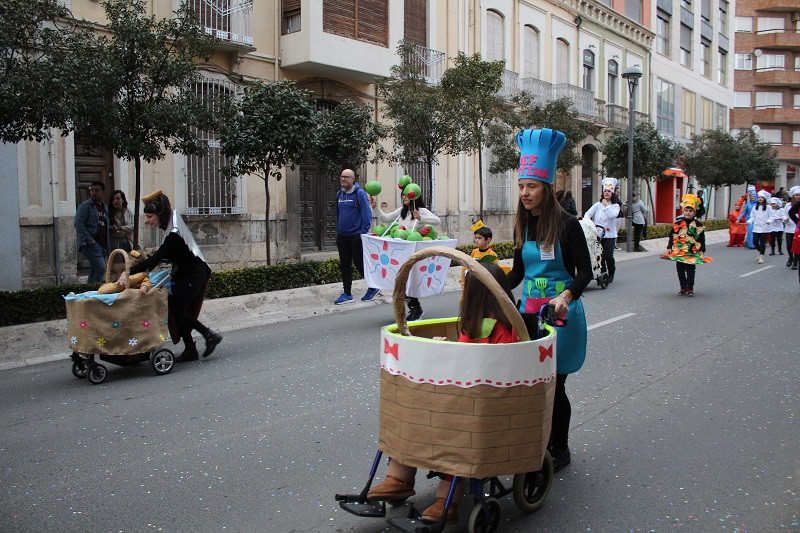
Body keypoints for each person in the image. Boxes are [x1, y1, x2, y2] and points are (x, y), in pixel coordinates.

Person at [366, 263, 520, 524]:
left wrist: (451, 354)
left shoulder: (502, 329)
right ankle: (399, 477)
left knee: (456, 434)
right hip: (461, 397)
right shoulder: (474, 325)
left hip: (483, 406)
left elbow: (495, 368)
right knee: (412, 415)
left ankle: (447, 500)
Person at [507, 128, 592, 473]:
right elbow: (516, 274)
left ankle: (560, 447)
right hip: (528, 317)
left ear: (547, 188)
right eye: (522, 186)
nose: (525, 193)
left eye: (532, 186)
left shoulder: (569, 225)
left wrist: (566, 295)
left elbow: (585, 272)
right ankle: (536, 442)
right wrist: (486, 282)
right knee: (531, 385)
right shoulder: (522, 225)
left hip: (560, 317)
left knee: (555, 387)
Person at [117, 191, 222, 362]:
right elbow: (161, 256)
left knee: (178, 309)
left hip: (195, 274)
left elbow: (158, 257)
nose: (147, 220)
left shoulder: (173, 232)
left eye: (150, 216)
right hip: (185, 273)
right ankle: (191, 349)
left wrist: (129, 272)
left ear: (159, 214)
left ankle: (209, 335)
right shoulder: (169, 223)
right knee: (174, 308)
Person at [370, 189, 440, 321]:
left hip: (414, 253)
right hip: (400, 253)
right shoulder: (401, 212)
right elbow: (385, 218)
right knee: (400, 280)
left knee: (408, 280)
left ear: (414, 195)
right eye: (403, 195)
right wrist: (375, 207)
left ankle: (415, 308)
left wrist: (421, 217)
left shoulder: (421, 210)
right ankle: (413, 308)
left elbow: (437, 221)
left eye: (407, 194)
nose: (404, 197)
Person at [334, 169, 380, 305]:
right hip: (342, 235)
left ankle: (373, 287)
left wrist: (363, 232)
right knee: (344, 265)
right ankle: (347, 293)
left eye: (346, 177)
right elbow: (338, 214)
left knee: (359, 262)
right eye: (341, 176)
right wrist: (339, 229)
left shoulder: (359, 193)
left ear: (353, 179)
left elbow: (366, 214)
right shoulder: (339, 194)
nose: (343, 179)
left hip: (356, 235)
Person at [663, 194, 711, 296]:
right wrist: (669, 247)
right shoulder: (678, 223)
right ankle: (683, 288)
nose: (688, 212)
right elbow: (672, 236)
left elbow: (702, 238)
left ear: (694, 212)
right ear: (683, 211)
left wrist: (702, 249)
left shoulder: (698, 224)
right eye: (686, 210)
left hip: (692, 250)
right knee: (680, 270)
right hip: (680, 250)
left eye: (690, 211)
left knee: (690, 270)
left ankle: (690, 288)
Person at [584, 178, 621, 283]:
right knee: (600, 255)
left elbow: (612, 216)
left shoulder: (615, 206)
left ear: (612, 193)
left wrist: (606, 205)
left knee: (608, 256)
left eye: (609, 191)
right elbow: (588, 214)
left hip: (610, 235)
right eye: (605, 191)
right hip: (598, 234)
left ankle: (611, 272)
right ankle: (603, 271)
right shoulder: (597, 205)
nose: (606, 193)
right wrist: (589, 223)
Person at [74, 181, 111, 283]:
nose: (94, 192)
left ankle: (88, 292)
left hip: (103, 245)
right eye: (92, 190)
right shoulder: (85, 206)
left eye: (97, 190)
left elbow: (104, 224)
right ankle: (95, 291)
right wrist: (90, 239)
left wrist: (113, 228)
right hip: (91, 245)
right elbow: (78, 224)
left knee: (94, 270)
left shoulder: (105, 208)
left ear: (102, 192)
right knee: (101, 269)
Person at [747, 190, 773, 264]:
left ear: (764, 199)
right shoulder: (755, 207)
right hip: (756, 227)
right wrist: (749, 222)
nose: (760, 199)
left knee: (762, 242)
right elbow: (752, 217)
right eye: (759, 197)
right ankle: (760, 251)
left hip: (764, 227)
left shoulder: (768, 207)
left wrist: (769, 221)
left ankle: (761, 256)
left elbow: (771, 216)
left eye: (762, 197)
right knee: (755, 241)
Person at [784, 186, 800, 269]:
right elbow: (787, 214)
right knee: (790, 245)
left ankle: (796, 262)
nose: (798, 197)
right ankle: (791, 258)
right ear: (793, 196)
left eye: (799, 195)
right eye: (796, 195)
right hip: (790, 228)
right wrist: (785, 219)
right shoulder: (788, 205)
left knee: (797, 246)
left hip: (797, 229)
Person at [613, 186, 623, 250]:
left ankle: (614, 244)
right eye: (618, 192)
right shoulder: (615, 199)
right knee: (615, 231)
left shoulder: (617, 199)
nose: (619, 193)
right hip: (616, 217)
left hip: (618, 217)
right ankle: (614, 245)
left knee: (615, 231)